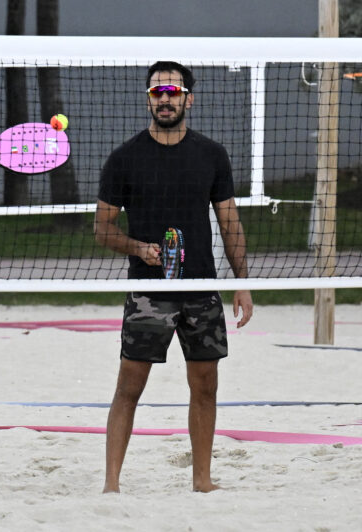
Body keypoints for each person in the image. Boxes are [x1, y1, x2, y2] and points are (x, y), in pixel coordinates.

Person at [94, 62, 254, 493]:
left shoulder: (211, 155)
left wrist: (241, 283)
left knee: (205, 386)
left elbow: (230, 223)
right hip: (150, 291)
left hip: (201, 288)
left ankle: (202, 481)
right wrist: (138, 248)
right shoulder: (124, 158)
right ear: (148, 99)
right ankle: (111, 484)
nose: (165, 99)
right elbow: (102, 229)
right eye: (157, 92)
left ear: (188, 99)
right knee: (129, 387)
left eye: (173, 92)